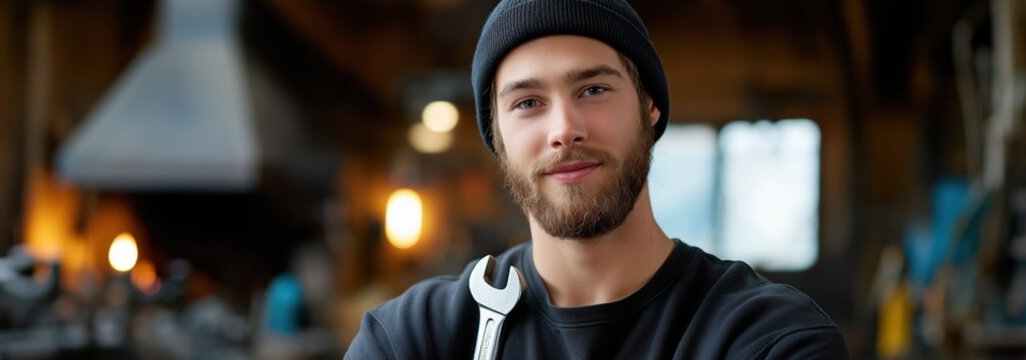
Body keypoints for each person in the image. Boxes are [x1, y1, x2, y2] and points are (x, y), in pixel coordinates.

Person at [345, 0, 849, 358]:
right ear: (498, 137)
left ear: (649, 106)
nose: (564, 129)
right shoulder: (411, 339)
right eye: (527, 103)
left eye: (592, 90)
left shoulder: (768, 339)